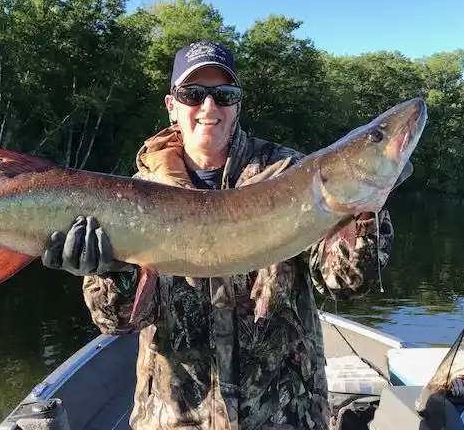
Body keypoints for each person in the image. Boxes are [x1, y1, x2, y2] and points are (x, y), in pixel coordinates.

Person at [42, 41, 394, 430]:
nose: (209, 107)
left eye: (224, 95)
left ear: (237, 105)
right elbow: (117, 322)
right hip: (174, 420)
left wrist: (364, 214)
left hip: (284, 417)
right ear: (172, 106)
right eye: (193, 94)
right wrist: (109, 271)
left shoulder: (288, 174)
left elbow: (344, 283)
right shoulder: (132, 195)